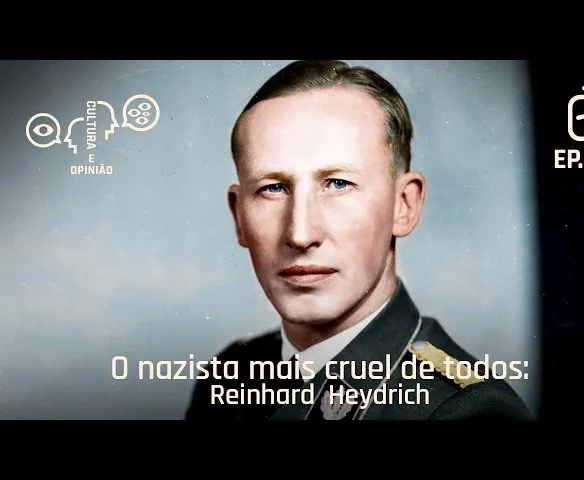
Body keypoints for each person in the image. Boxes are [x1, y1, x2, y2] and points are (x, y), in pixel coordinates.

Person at [185, 60, 532, 420]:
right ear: (238, 217)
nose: (300, 235)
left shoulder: (467, 411)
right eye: (273, 188)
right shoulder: (229, 377)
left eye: (338, 184)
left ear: (403, 205)